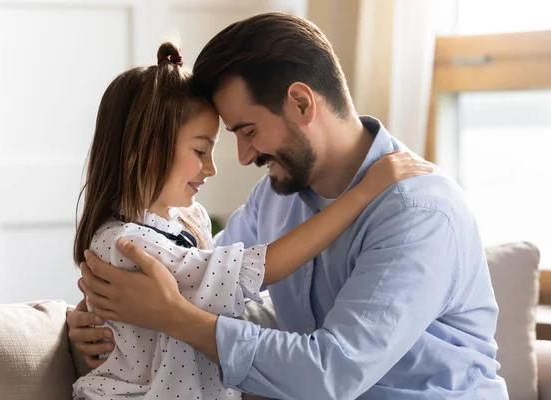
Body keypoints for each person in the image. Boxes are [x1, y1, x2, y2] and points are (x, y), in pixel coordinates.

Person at [69, 13, 509, 400]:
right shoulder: (275, 196)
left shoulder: (418, 213)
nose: (242, 157)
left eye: (248, 130)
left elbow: (331, 375)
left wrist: (173, 317)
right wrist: (97, 320)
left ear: (301, 103)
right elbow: (205, 281)